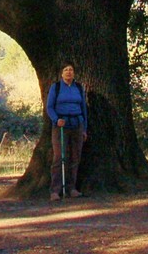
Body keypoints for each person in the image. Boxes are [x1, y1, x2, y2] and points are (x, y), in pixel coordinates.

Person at [46, 62, 88, 200]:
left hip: (77, 124)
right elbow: (49, 107)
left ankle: (71, 188)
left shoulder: (78, 87)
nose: (69, 72)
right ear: (62, 73)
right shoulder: (56, 87)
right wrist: (56, 119)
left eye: (71, 69)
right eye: (66, 70)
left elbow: (84, 109)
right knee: (59, 157)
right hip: (61, 126)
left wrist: (84, 128)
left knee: (75, 157)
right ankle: (55, 190)